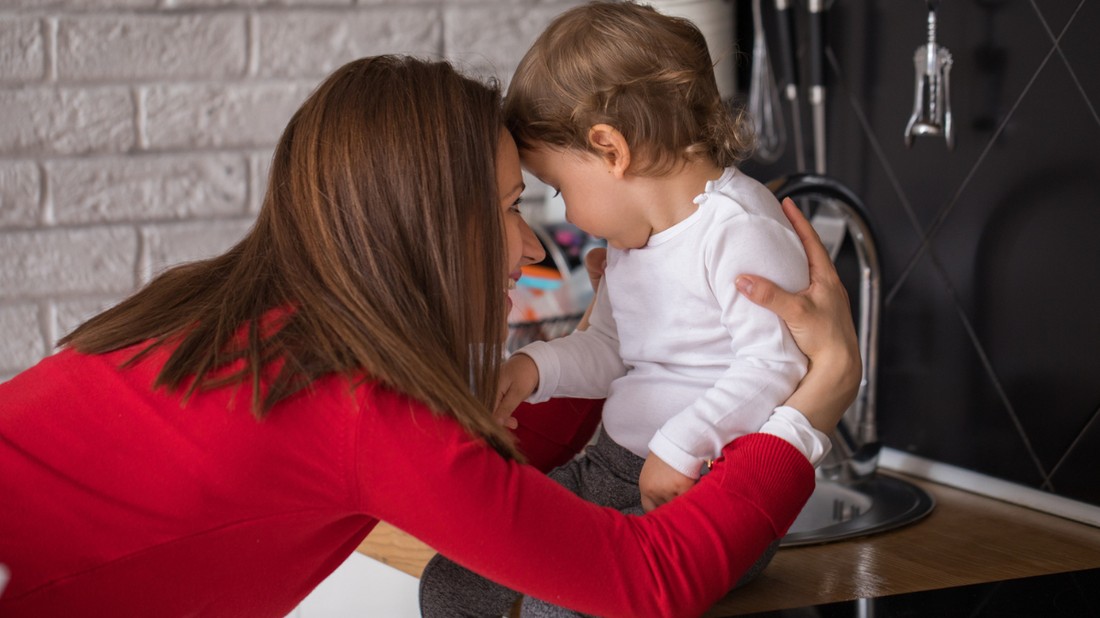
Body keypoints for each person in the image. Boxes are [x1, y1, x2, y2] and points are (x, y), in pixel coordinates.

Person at [0, 55, 859, 618]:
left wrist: (616, 333)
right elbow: (645, 579)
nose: (532, 248)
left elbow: (490, 470)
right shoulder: (363, 409)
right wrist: (814, 402)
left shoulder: (239, 313)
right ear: (425, 226)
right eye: (508, 209)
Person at [420, 3, 818, 615]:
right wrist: (530, 369)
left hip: (700, 491)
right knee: (456, 579)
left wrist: (682, 445)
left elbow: (775, 367)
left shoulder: (739, 229)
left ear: (611, 150)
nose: (565, 215)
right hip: (611, 468)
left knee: (560, 604)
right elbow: (610, 351)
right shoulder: (633, 243)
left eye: (558, 189)